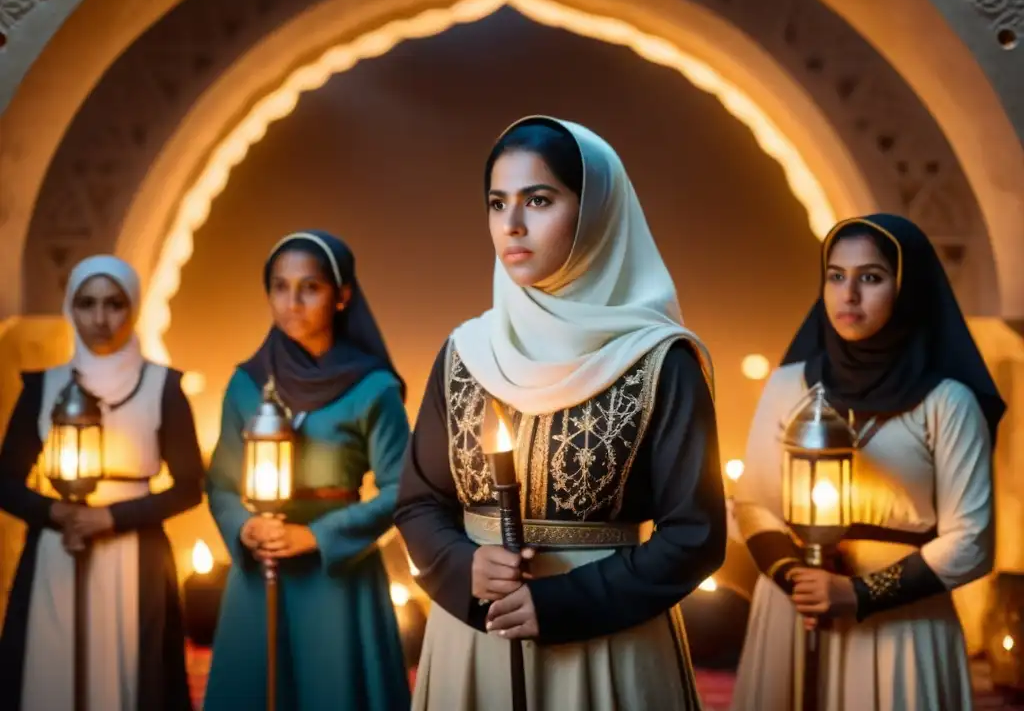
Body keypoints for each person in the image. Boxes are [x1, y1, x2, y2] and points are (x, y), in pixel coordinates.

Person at [396, 116, 726, 710]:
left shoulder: (659, 359)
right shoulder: (466, 352)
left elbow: (695, 536)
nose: (512, 225)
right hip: (476, 639)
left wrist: (562, 604)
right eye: (498, 204)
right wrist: (464, 569)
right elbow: (419, 501)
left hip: (608, 648)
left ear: (597, 209)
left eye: (539, 200)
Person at [730, 214, 1006, 710]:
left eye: (871, 278)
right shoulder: (791, 385)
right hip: (796, 609)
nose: (848, 294)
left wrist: (859, 594)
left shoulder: (947, 401)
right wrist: (798, 578)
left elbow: (973, 541)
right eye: (836, 276)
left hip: (901, 626)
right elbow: (754, 504)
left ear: (908, 287)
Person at [204, 231, 411, 711]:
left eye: (309, 287)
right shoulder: (245, 384)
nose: (292, 302)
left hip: (339, 579)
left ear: (342, 296)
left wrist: (316, 536)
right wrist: (245, 526)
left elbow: (402, 488)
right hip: (260, 572)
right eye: (279, 287)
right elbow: (220, 483)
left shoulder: (372, 388)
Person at [0, 254, 204, 710]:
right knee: (50, 671)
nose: (99, 318)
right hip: (56, 550)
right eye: (86, 304)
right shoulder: (42, 386)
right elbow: (6, 480)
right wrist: (57, 513)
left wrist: (111, 517)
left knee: (136, 674)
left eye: (113, 304)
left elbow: (189, 484)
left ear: (132, 306)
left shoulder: (163, 386)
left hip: (136, 553)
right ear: (71, 308)